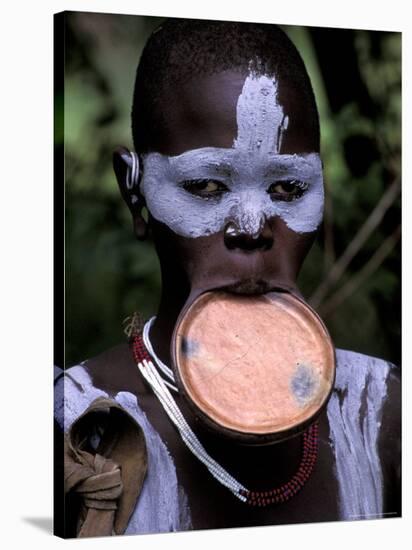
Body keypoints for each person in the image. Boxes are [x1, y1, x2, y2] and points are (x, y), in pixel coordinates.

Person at [54, 18, 401, 538]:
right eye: (207, 185)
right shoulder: (73, 426)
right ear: (135, 191)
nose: (251, 227)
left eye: (288, 188)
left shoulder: (382, 415)